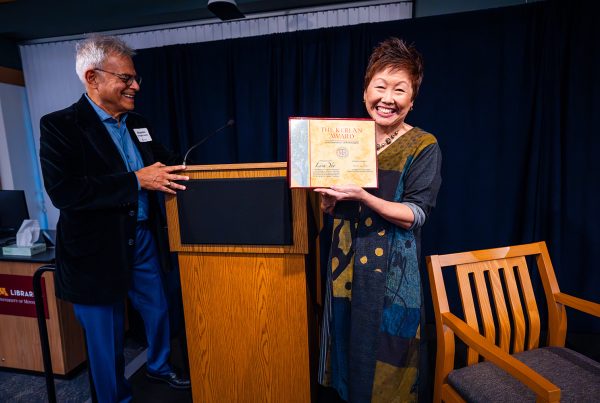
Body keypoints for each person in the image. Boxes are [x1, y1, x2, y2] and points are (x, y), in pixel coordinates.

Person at [39, 35, 191, 402]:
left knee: (157, 310)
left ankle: (158, 366)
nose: (135, 85)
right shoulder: (60, 126)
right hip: (94, 250)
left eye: (135, 78)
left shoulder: (139, 123)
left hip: (140, 238)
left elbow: (166, 163)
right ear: (93, 78)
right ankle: (113, 398)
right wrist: (135, 180)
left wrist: (194, 172)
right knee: (105, 338)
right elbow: (65, 192)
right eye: (126, 78)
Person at [315, 37, 442, 402]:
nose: (388, 98)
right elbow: (336, 207)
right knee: (346, 351)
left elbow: (415, 214)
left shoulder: (423, 144)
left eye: (399, 89)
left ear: (412, 100)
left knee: (389, 362)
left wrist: (363, 196)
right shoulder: (347, 140)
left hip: (393, 274)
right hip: (345, 264)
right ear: (365, 92)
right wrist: (327, 202)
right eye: (380, 87)